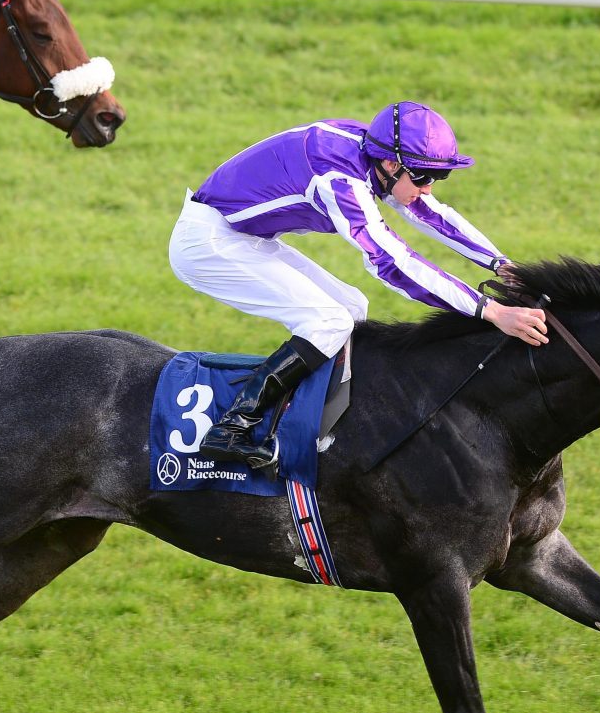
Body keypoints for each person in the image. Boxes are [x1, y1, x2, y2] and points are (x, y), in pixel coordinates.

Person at [169, 100, 548, 469]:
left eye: (438, 177)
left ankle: (315, 421)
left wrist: (500, 264)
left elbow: (431, 214)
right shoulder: (339, 179)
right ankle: (232, 428)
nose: (430, 187)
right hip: (208, 244)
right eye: (423, 177)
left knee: (352, 308)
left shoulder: (373, 152)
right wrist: (492, 311)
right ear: (391, 163)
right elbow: (392, 264)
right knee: (328, 321)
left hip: (240, 234)